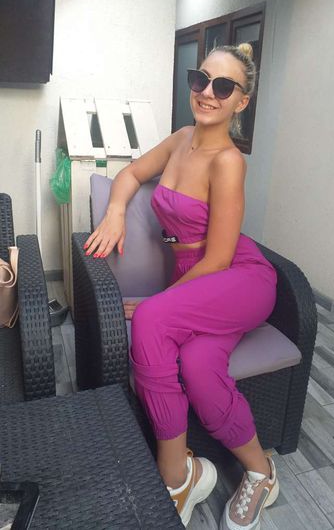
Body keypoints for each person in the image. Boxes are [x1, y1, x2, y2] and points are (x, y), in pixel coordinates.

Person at [84, 42, 279, 530]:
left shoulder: (228, 161)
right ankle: (258, 470)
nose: (208, 92)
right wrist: (115, 211)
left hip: (238, 278)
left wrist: (163, 303)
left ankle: (174, 476)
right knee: (197, 366)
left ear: (241, 101)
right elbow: (131, 173)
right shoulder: (180, 139)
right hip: (200, 283)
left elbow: (218, 258)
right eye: (201, 79)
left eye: (224, 86)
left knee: (151, 318)